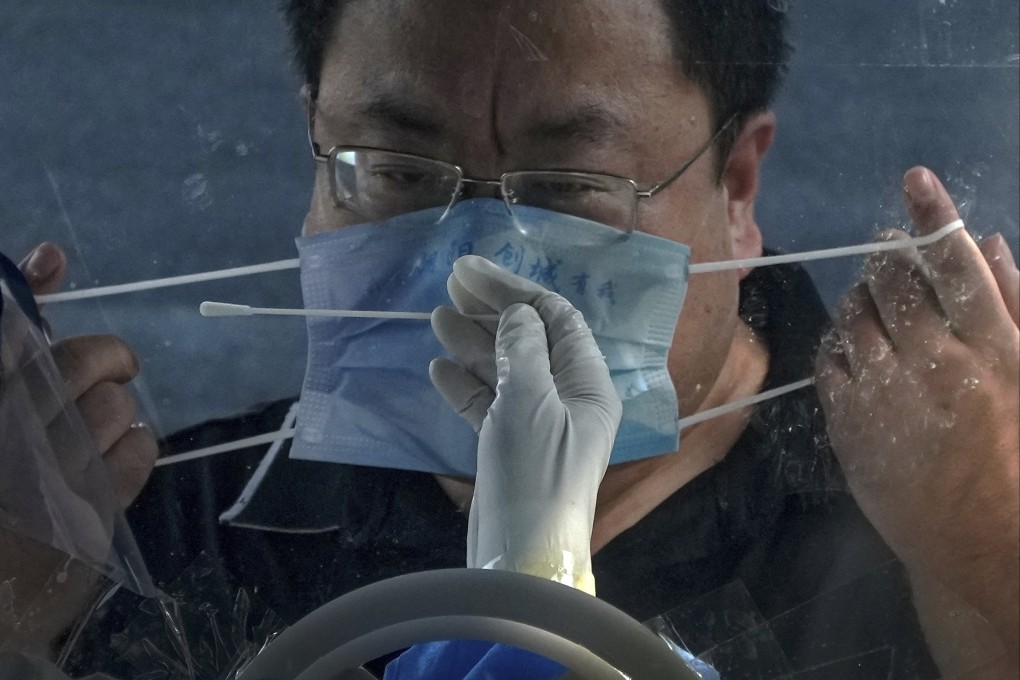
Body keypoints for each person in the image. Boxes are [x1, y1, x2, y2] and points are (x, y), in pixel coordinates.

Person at [3, 1, 1017, 678]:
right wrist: (29, 626)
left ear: (737, 186)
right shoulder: (159, 540)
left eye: (567, 188)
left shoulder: (927, 522)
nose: (471, 263)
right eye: (394, 169)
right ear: (314, 141)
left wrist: (995, 571)